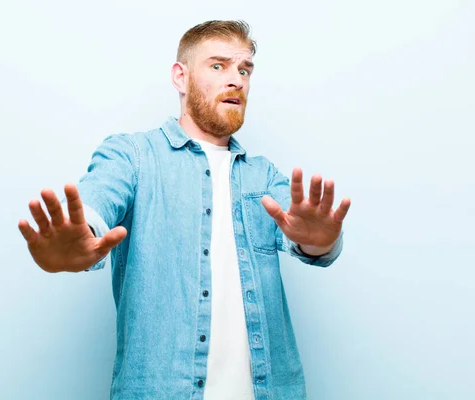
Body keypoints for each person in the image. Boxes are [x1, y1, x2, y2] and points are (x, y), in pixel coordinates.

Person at [18, 20, 351, 400]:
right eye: (218, 66)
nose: (236, 80)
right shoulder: (133, 156)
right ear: (181, 76)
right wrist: (79, 238)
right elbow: (95, 203)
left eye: (244, 70)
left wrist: (322, 241)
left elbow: (311, 238)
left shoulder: (264, 176)